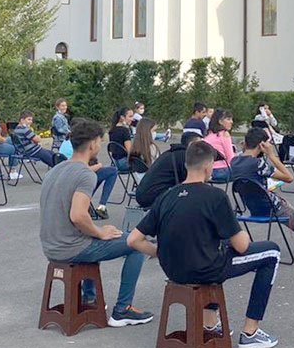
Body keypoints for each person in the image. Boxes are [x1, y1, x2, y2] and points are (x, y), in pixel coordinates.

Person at [136, 140, 280, 348]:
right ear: (207, 166)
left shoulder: (167, 196)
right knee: (272, 252)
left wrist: (160, 253)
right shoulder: (215, 196)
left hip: (174, 270)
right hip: (204, 269)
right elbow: (241, 246)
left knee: (212, 246)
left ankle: (211, 324)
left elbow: (134, 240)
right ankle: (251, 333)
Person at [41, 119, 157, 325]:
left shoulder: (54, 171)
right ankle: (123, 309)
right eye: (100, 142)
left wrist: (96, 232)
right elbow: (78, 216)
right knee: (135, 243)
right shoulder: (85, 173)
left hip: (51, 246)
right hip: (71, 247)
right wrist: (100, 232)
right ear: (93, 143)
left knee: (95, 237)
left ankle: (90, 298)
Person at [58, 133, 120, 220]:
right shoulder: (78, 149)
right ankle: (101, 205)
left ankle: (90, 202)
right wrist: (98, 166)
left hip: (68, 176)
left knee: (102, 173)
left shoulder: (67, 142)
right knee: (112, 171)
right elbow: (82, 170)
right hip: (79, 178)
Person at [135, 136, 193, 209]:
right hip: (154, 197)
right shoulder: (184, 156)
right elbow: (190, 182)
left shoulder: (170, 153)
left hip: (143, 194)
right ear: (191, 144)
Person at [200, 108, 238, 183]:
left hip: (207, 172)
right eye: (228, 119)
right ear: (220, 121)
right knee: (248, 170)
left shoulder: (208, 135)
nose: (231, 122)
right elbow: (231, 159)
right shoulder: (224, 134)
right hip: (222, 171)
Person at [107, 107, 135, 172]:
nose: (132, 119)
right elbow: (129, 151)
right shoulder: (124, 130)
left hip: (114, 163)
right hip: (124, 163)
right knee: (147, 165)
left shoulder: (112, 130)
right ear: (122, 117)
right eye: (130, 116)